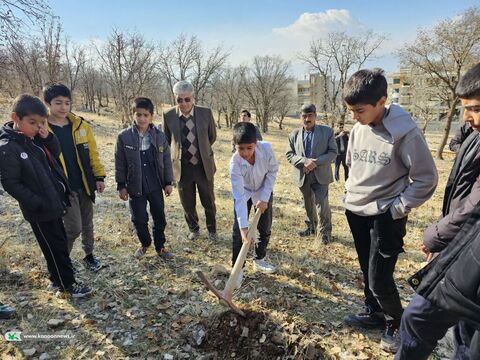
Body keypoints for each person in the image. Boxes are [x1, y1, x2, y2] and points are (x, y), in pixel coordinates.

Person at [341, 69, 438, 353]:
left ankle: (396, 322)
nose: (353, 117)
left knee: (379, 278)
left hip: (385, 216)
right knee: (365, 268)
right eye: (349, 110)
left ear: (382, 101)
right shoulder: (359, 127)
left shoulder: (405, 133)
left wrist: (396, 209)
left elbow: (426, 178)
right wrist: (349, 192)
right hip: (356, 210)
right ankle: (373, 312)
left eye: (359, 110)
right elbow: (352, 164)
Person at [396, 62, 480, 360]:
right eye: (465, 109)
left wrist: (436, 236)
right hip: (462, 250)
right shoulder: (475, 136)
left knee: (421, 320)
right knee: (458, 335)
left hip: (471, 257)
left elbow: (475, 208)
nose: (468, 118)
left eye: (476, 108)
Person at [0, 94, 93, 297]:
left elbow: (56, 153)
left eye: (42, 122)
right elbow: (10, 183)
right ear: (16, 118)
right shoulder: (9, 147)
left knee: (59, 242)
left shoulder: (35, 139)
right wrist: (37, 203)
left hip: (55, 202)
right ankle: (66, 285)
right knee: (53, 247)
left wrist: (48, 137)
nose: (37, 127)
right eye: (32, 123)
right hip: (40, 210)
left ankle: (60, 276)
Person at [43, 83, 106, 272]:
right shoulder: (43, 128)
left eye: (67, 103)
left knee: (87, 223)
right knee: (73, 228)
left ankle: (89, 255)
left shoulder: (81, 125)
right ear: (47, 103)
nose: (63, 107)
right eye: (58, 103)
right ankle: (63, 261)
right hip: (63, 188)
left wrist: (99, 176)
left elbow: (93, 153)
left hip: (84, 183)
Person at [115, 97, 174, 259]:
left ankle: (160, 246)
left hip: (155, 184)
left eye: (145, 115)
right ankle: (145, 242)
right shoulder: (124, 137)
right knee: (139, 219)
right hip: (135, 186)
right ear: (133, 115)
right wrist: (121, 185)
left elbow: (167, 161)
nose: (142, 119)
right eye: (138, 115)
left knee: (159, 217)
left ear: (151, 116)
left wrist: (168, 182)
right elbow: (120, 163)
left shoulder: (159, 136)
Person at [163, 80, 217, 241]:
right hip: (182, 167)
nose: (184, 103)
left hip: (203, 165)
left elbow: (211, 136)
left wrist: (201, 150)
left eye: (187, 99)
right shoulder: (168, 115)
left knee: (208, 200)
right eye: (179, 100)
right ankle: (194, 229)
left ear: (193, 97)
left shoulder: (205, 113)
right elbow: (167, 139)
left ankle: (212, 230)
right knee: (187, 202)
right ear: (175, 99)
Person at [230, 122, 278, 287]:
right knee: (238, 233)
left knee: (264, 227)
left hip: (263, 189)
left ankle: (259, 258)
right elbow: (239, 196)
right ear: (235, 146)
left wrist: (264, 198)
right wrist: (244, 228)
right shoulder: (234, 163)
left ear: (255, 144)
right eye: (240, 148)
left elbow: (272, 171)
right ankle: (237, 269)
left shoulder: (266, 149)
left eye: (249, 148)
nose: (245, 153)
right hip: (244, 191)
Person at [286, 103, 337, 244]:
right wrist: (304, 161)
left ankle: (325, 233)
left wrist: (315, 162)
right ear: (300, 117)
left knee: (322, 205)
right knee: (308, 204)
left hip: (321, 175)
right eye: (304, 116)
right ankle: (311, 228)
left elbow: (333, 152)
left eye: (310, 116)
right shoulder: (294, 134)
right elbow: (289, 154)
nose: (307, 119)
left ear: (315, 116)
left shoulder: (327, 132)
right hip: (303, 175)